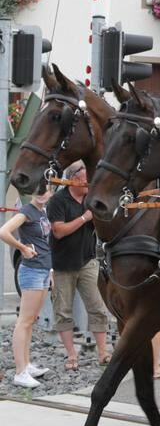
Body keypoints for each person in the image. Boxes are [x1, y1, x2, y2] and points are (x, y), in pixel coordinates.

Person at [48, 162, 111, 370]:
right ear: (73, 178)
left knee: (98, 308)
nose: (88, 184)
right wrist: (85, 218)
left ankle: (103, 353)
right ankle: (71, 356)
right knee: (63, 311)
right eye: (85, 180)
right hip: (62, 264)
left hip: (87, 261)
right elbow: (59, 231)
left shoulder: (90, 199)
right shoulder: (58, 200)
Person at [0, 184, 53, 388]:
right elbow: (4, 231)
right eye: (38, 189)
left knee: (30, 320)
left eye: (45, 189)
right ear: (32, 192)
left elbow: (45, 243)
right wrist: (22, 248)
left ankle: (26, 365)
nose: (41, 193)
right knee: (24, 321)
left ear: (50, 191)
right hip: (31, 270)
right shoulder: (27, 211)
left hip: (42, 270)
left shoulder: (43, 212)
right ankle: (20, 372)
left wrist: (50, 271)